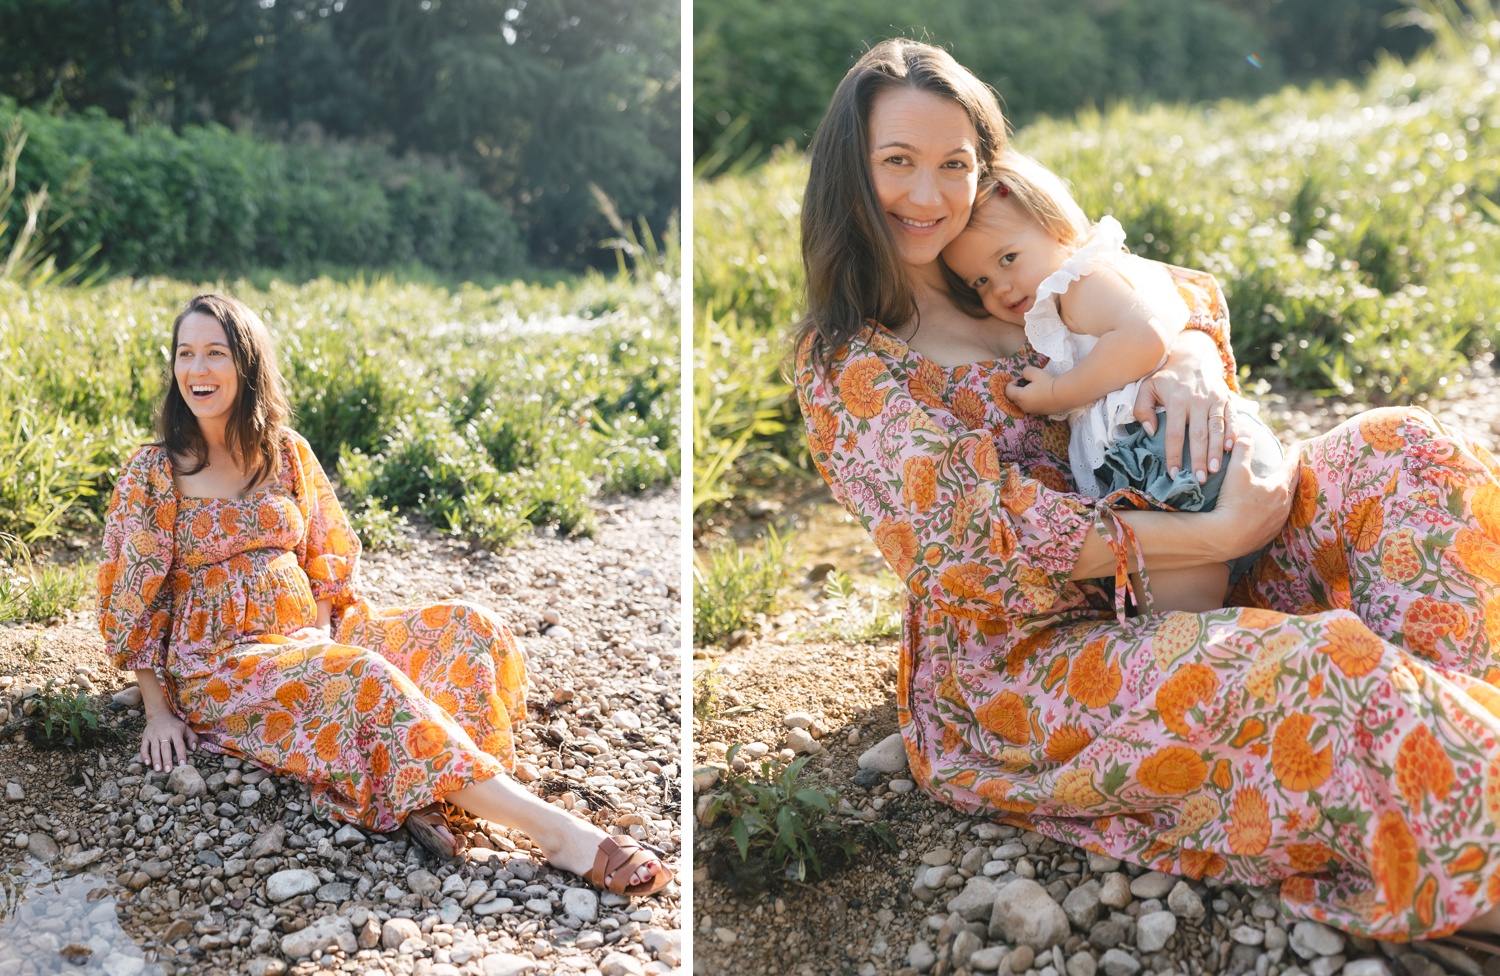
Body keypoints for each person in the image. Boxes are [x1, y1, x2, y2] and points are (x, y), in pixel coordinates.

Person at [792, 37, 1500, 945]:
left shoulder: (1008, 254)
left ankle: (1449, 729)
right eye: (897, 163)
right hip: (1039, 654)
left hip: (1204, 553)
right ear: (849, 172)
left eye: (953, 164)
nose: (929, 197)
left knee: (1408, 453)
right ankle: (1457, 838)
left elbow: (1166, 295)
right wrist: (1216, 535)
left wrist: (1195, 362)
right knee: (1318, 666)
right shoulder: (853, 361)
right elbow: (975, 544)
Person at [97, 293, 671, 897]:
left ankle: (431, 791)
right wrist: (157, 709)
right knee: (366, 678)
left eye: (215, 353)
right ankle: (557, 834)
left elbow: (325, 552)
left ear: (247, 366)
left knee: (467, 629)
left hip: (313, 633)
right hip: (220, 662)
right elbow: (132, 597)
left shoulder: (285, 452)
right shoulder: (154, 472)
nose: (197, 370)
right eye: (185, 354)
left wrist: (320, 631)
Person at [940, 151, 1284, 612]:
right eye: (979, 280)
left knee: (1178, 624)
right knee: (1197, 615)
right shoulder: (1077, 290)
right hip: (1184, 454)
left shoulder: (1079, 283)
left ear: (1056, 228)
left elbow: (1146, 335)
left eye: (1008, 258)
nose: (999, 287)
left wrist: (1060, 393)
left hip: (1171, 457)